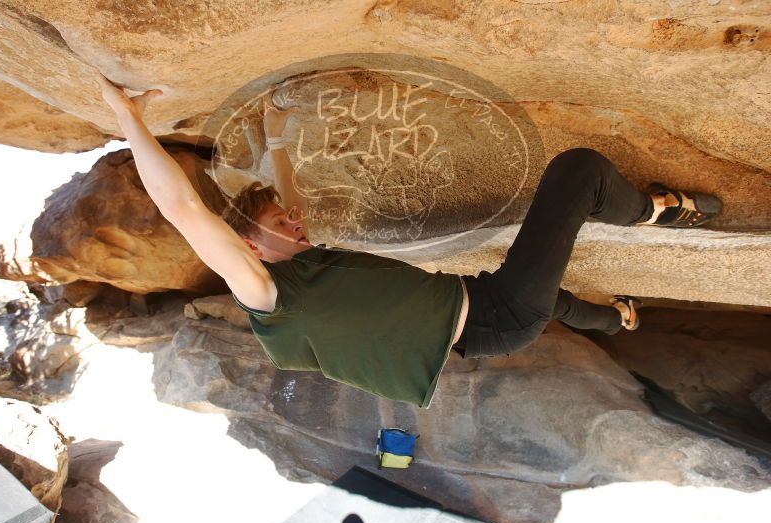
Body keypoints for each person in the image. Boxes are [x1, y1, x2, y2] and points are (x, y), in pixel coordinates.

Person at [96, 74, 723, 408]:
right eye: (280, 225)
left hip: (481, 313)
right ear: (249, 252)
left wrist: (280, 130)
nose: (295, 221)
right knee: (579, 171)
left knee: (555, 300)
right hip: (494, 316)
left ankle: (619, 318)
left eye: (291, 217)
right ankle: (658, 212)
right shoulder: (266, 294)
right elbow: (180, 206)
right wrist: (129, 118)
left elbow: (291, 198)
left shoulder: (308, 262)